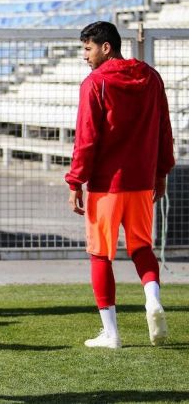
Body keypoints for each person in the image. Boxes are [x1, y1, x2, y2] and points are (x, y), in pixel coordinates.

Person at [66, 21, 173, 349]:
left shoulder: (95, 83)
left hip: (106, 185)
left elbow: (86, 137)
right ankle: (152, 300)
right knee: (142, 248)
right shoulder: (151, 77)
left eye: (88, 49)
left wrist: (75, 180)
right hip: (141, 181)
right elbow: (164, 128)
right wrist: (161, 172)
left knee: (100, 255)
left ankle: (111, 333)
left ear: (106, 47)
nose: (85, 55)